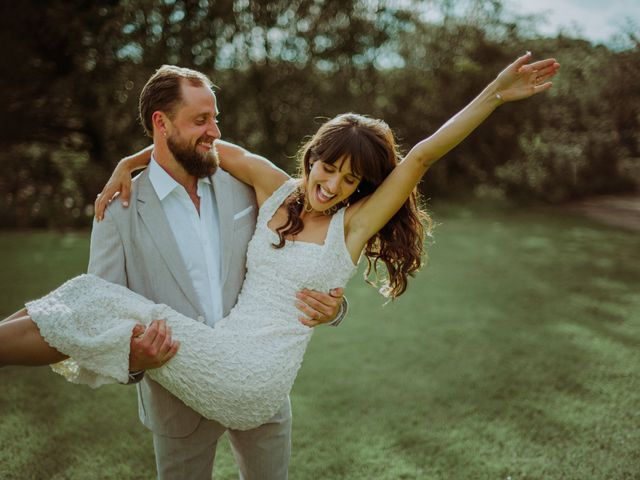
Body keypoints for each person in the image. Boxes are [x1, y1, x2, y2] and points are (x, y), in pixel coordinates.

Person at [0, 52, 559, 477]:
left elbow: (422, 155)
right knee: (96, 299)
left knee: (101, 302)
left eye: (349, 180)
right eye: (328, 168)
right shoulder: (271, 189)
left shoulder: (352, 227)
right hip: (213, 361)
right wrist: (131, 159)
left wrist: (494, 95)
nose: (332, 185)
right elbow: (205, 145)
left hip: (256, 379)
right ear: (312, 155)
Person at [0, 65, 347, 480]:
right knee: (86, 300)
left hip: (259, 389)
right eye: (201, 120)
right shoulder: (117, 210)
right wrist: (133, 359)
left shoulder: (243, 184)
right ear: (160, 123)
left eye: (215, 118)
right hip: (177, 400)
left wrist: (336, 309)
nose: (215, 131)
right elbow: (106, 312)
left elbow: (305, 251)